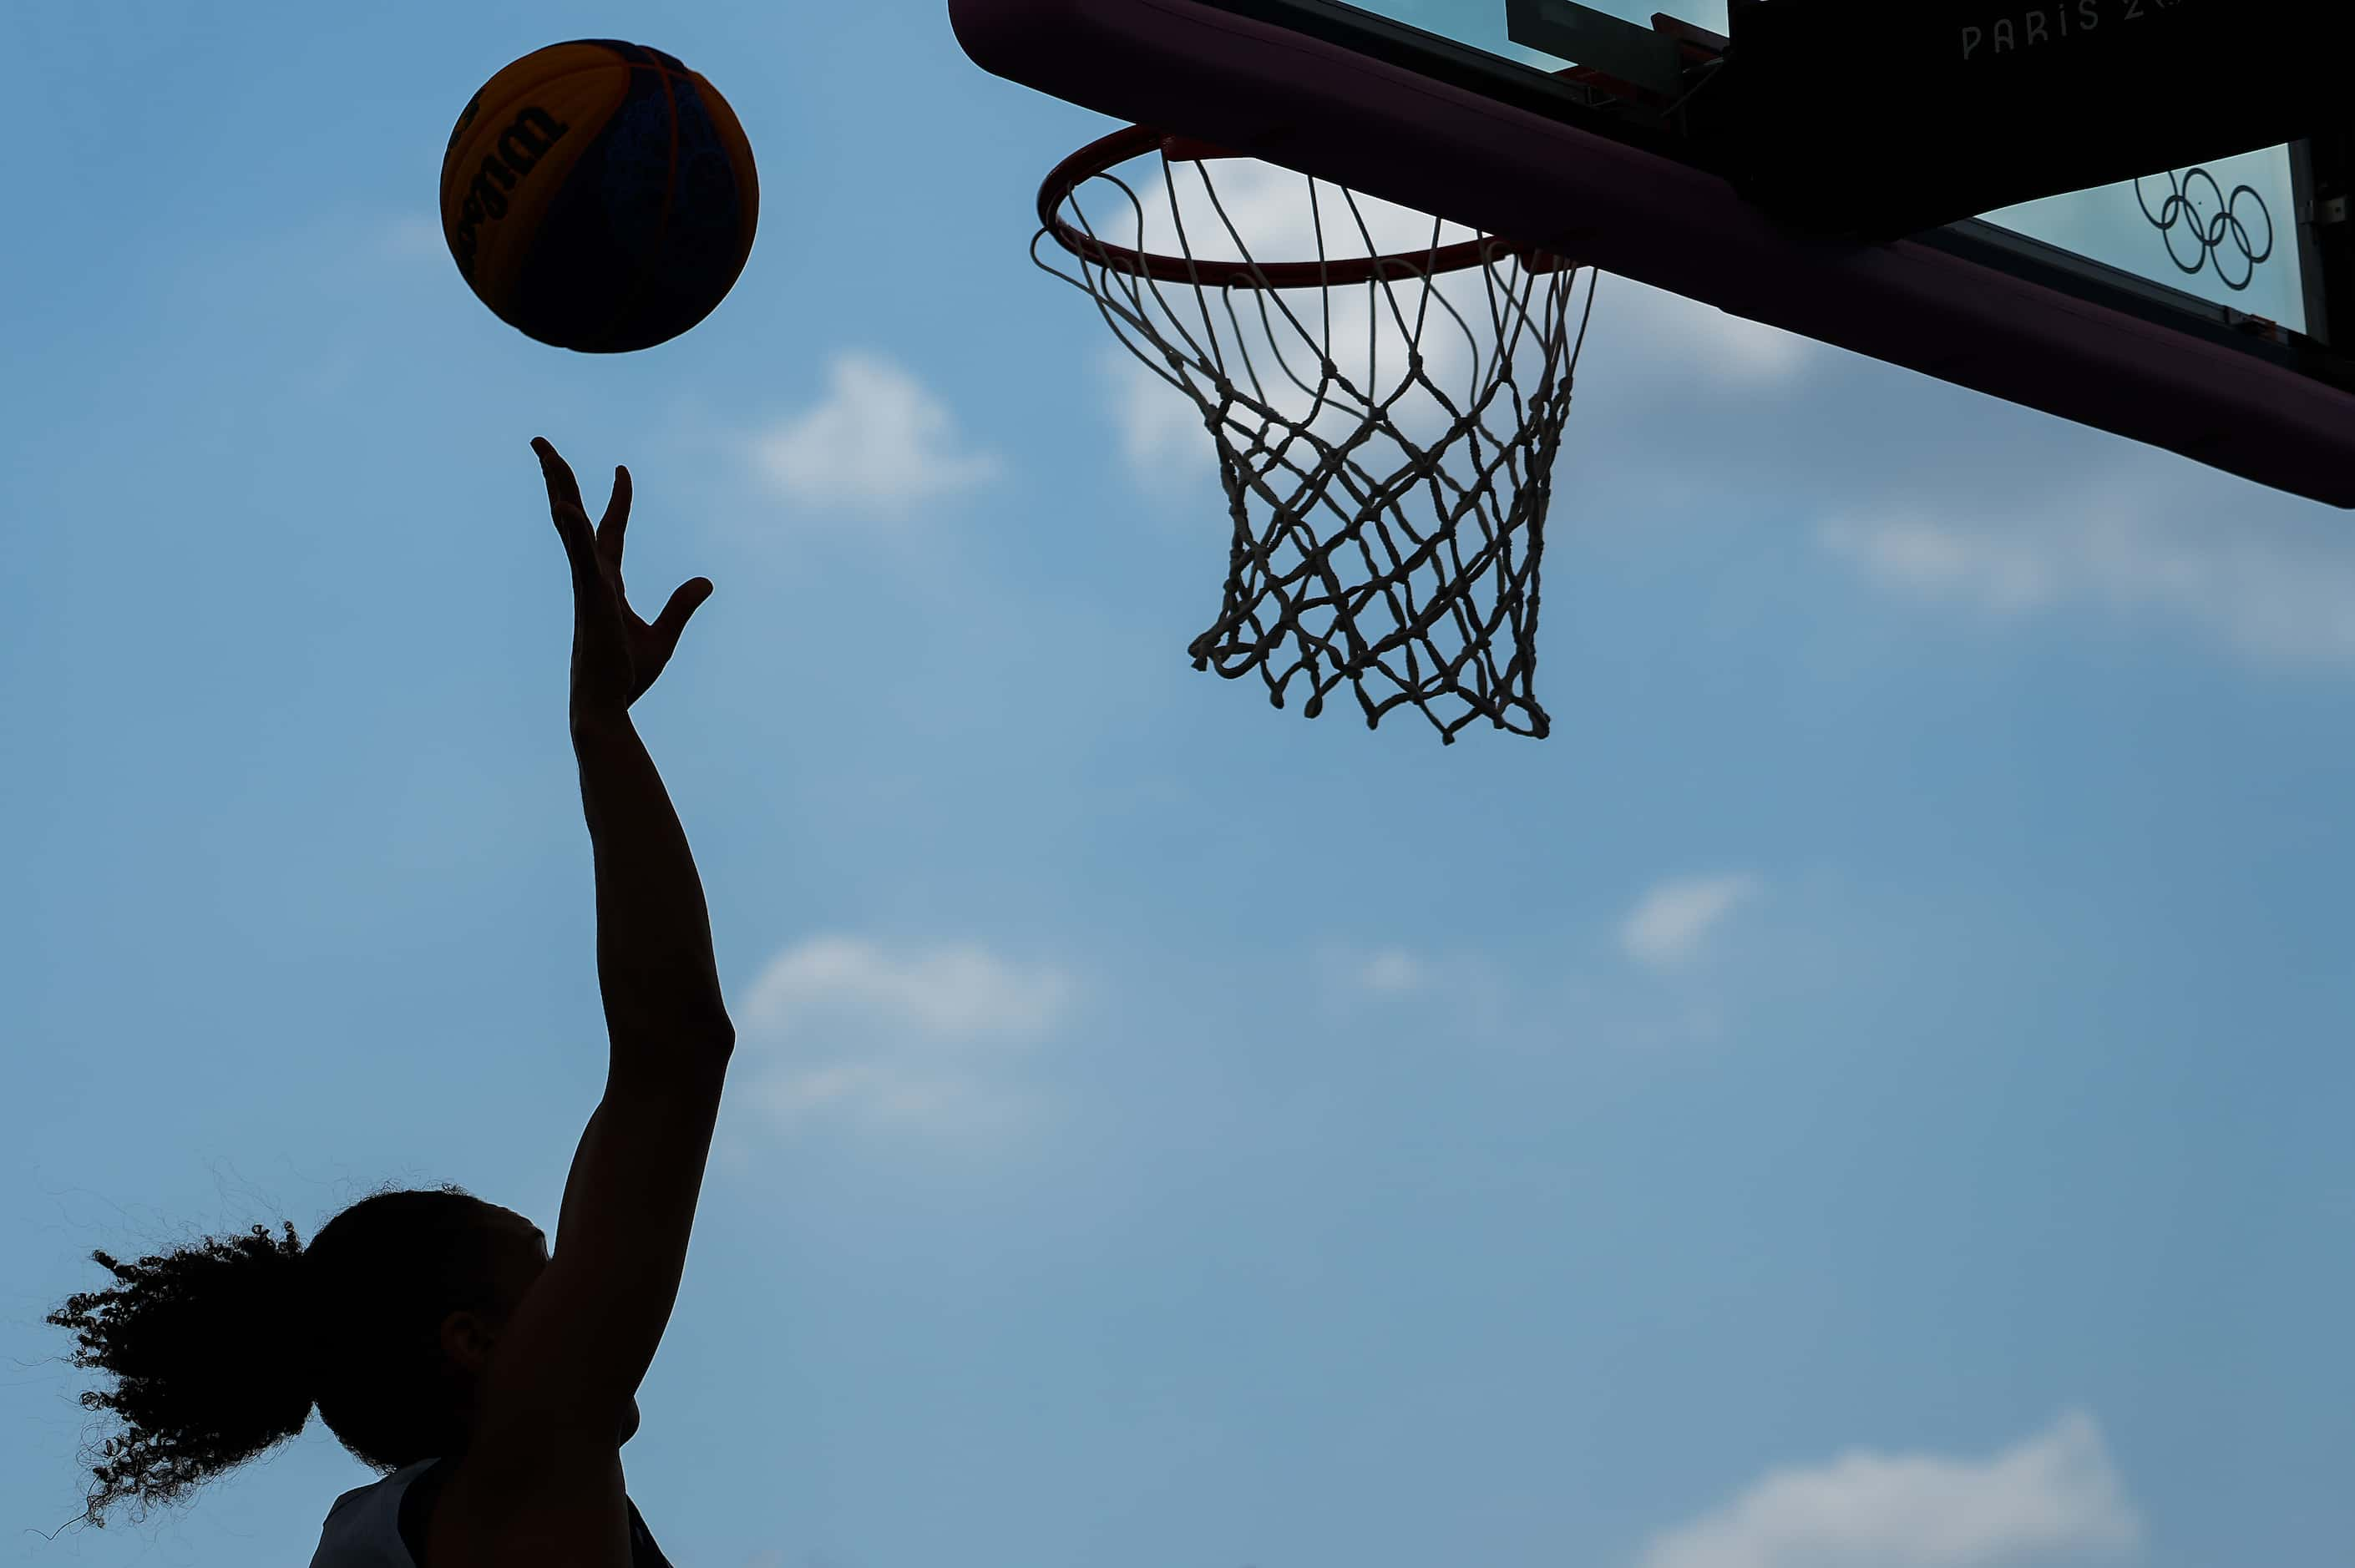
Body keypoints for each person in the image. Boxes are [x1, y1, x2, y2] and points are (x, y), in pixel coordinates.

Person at [47, 439, 734, 1568]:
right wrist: (603, 726)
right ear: (475, 1343)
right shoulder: (531, 1454)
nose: (593, 1274)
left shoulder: (382, 1534)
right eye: (550, 1271)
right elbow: (674, 1057)